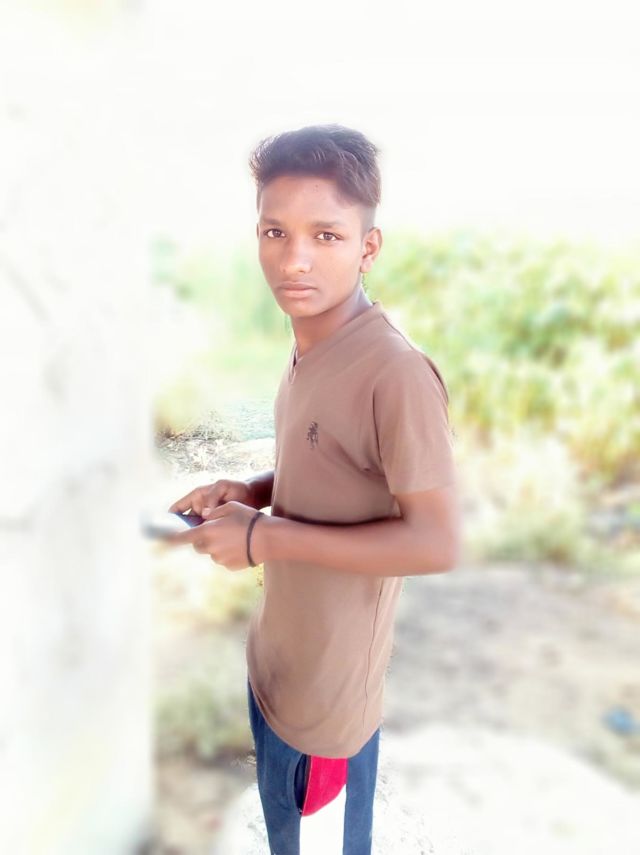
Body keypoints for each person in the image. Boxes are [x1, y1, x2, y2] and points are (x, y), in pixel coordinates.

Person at [165, 123, 461, 855]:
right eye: (275, 231)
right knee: (283, 836)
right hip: (277, 666)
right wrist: (252, 490)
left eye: (326, 235)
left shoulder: (395, 373)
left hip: (329, 708)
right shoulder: (310, 343)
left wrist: (263, 538)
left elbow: (435, 540)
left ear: (368, 247)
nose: (293, 260)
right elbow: (331, 466)